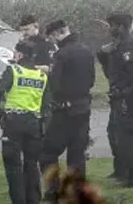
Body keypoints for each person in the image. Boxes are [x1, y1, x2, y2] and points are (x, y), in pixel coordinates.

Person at [39, 20, 95, 202]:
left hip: (64, 111)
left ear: (57, 34)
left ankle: (52, 191)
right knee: (77, 154)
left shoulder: (61, 54)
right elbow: (92, 80)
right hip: (83, 108)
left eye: (52, 37)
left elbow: (55, 85)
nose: (52, 41)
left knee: (48, 152)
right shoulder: (87, 51)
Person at [0, 41, 48, 204]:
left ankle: (18, 200)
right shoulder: (41, 76)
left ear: (20, 55)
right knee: (31, 164)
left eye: (15, 52)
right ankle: (34, 199)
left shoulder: (14, 71)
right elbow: (46, 103)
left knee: (13, 165)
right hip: (34, 123)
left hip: (13, 123)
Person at [95, 11, 133, 188]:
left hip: (129, 100)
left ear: (122, 27)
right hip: (118, 98)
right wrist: (101, 53)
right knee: (115, 133)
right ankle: (121, 170)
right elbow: (110, 69)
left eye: (112, 26)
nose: (110, 29)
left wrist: (124, 93)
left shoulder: (128, 46)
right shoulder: (117, 45)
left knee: (130, 138)